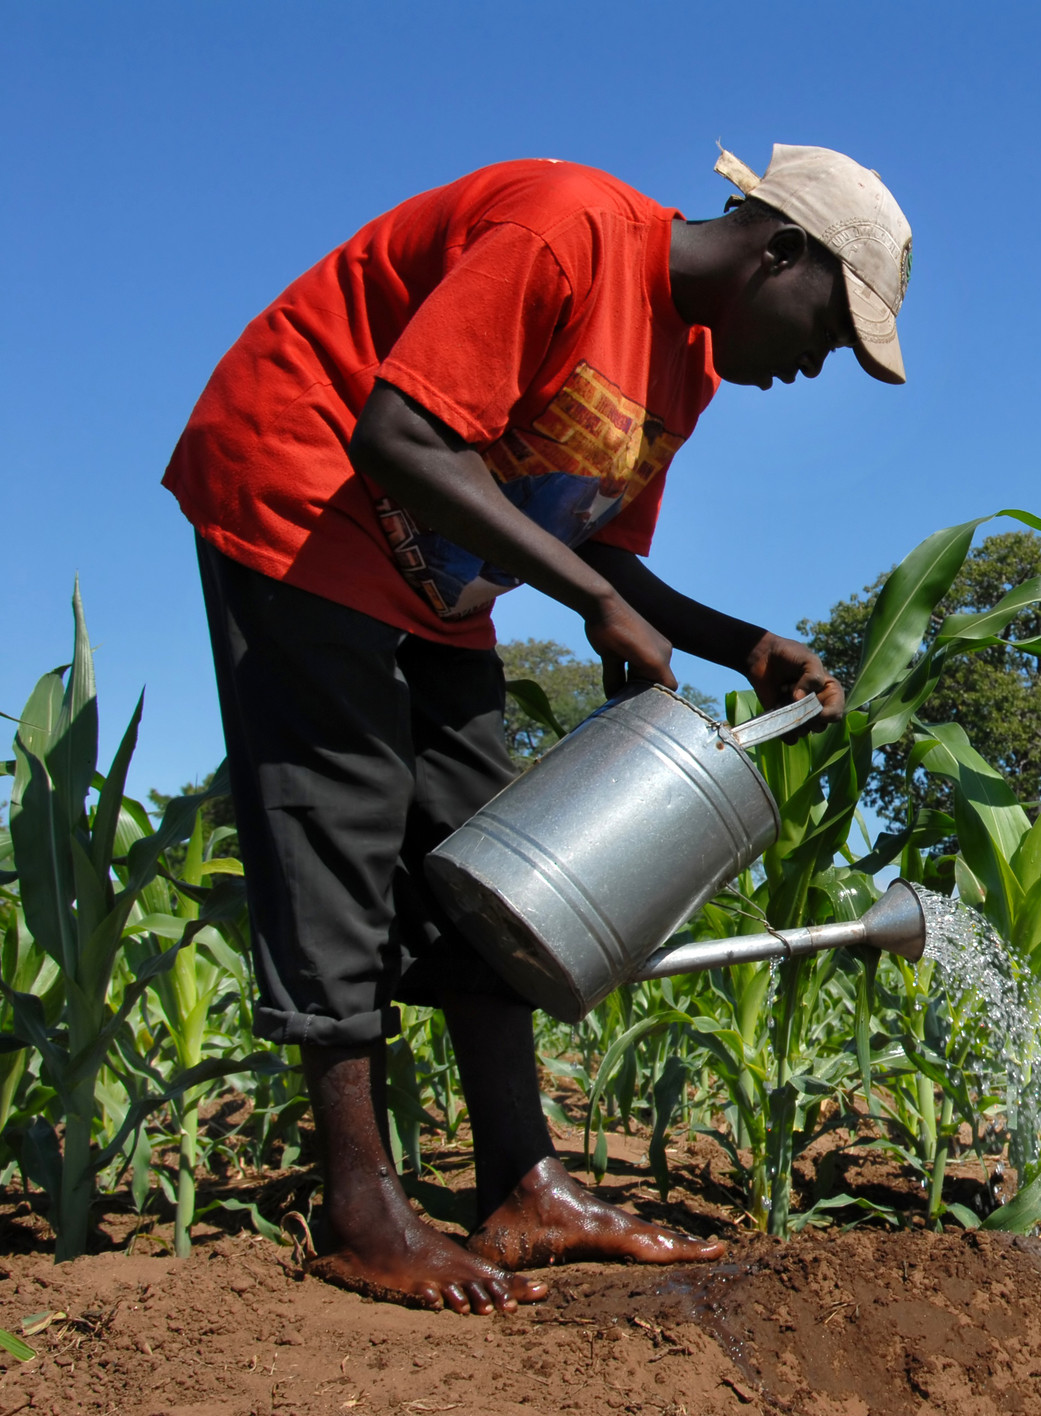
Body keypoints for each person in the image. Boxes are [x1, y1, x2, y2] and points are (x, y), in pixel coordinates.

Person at [162, 144, 913, 1315]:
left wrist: (737, 642)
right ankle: (360, 1209)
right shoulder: (565, 230)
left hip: (440, 574)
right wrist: (593, 605)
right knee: (340, 830)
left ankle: (525, 1189)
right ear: (780, 252)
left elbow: (599, 547)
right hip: (306, 492)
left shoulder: (687, 375)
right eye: (830, 329)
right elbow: (397, 440)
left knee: (494, 846)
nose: (820, 364)